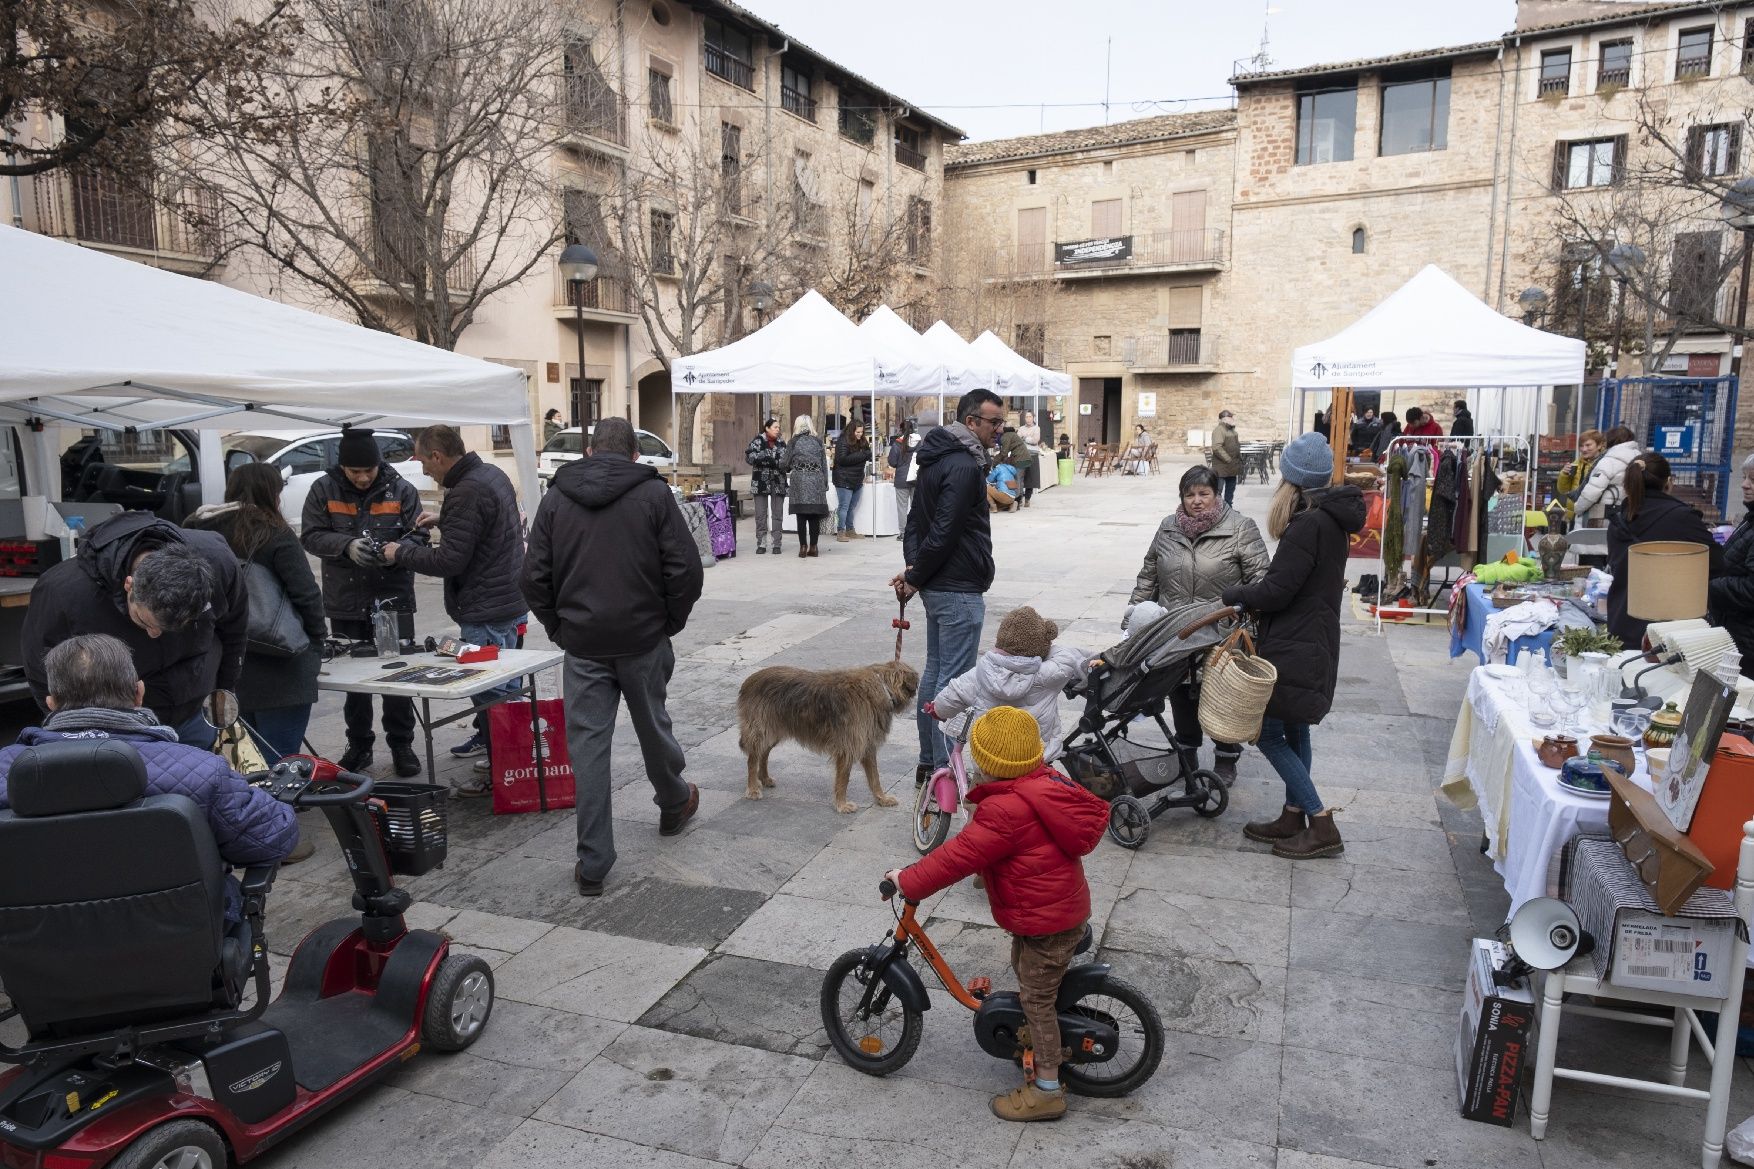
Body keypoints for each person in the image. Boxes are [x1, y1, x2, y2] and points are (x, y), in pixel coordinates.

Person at [885, 706, 1109, 1123]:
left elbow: (955, 858)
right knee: (1029, 977)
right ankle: (1036, 1040)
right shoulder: (1040, 784)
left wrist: (909, 880)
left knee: (1037, 998)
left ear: (984, 762)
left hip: (1047, 919)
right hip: (1052, 911)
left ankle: (1046, 1090)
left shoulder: (1005, 811)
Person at [519, 417, 704, 897]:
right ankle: (673, 800)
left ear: (588, 452)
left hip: (584, 643)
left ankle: (594, 862)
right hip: (640, 637)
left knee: (588, 751)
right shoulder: (653, 495)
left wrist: (560, 628)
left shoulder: (557, 497)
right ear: (635, 456)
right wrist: (667, 623)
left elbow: (533, 575)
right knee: (653, 726)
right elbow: (685, 569)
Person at [0, 634, 297, 916]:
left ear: (50, 703)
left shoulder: (5, 772)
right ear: (139, 693)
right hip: (181, 949)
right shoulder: (203, 771)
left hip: (33, 957)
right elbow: (274, 838)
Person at [1221, 432, 1363, 860]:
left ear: (1292, 480)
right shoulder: (1330, 519)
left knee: (1267, 732)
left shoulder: (1308, 524)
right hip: (1311, 637)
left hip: (1296, 641)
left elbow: (1279, 590)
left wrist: (1234, 593)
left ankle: (1320, 822)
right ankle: (1292, 812)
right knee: (1295, 726)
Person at [22, 510, 246, 750]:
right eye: (144, 621)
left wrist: (224, 692)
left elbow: (235, 632)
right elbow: (40, 668)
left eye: (175, 627)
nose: (153, 634)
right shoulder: (63, 594)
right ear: (129, 584)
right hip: (117, 728)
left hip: (197, 709)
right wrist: (72, 731)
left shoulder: (218, 564)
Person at [382, 425, 527, 795]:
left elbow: (450, 561)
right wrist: (444, 520)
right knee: (506, 694)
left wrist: (401, 554)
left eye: (424, 462)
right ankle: (513, 763)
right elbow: (488, 526)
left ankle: (503, 775)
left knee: (492, 699)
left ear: (437, 456)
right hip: (509, 602)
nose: (424, 470)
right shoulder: (490, 474)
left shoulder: (466, 490)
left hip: (485, 610)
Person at [1130, 465, 1270, 786]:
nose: (1196, 500)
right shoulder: (1168, 528)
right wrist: (1134, 619)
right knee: (1180, 693)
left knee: (1222, 696)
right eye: (1189, 494)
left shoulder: (1240, 528)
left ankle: (1226, 755)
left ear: (1216, 495)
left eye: (1203, 493)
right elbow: (1148, 577)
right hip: (1176, 631)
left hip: (1222, 634)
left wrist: (1245, 613)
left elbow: (1262, 581)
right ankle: (1187, 752)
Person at [301, 427, 427, 777]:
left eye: (367, 471)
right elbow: (310, 535)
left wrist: (397, 552)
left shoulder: (401, 489)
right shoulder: (323, 489)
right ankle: (359, 747)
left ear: (378, 464)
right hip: (346, 601)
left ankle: (402, 744)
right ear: (342, 467)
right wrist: (345, 546)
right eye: (354, 472)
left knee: (397, 677)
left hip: (392, 600)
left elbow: (420, 534)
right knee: (354, 683)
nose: (361, 478)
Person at [892, 388, 1002, 785]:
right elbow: (943, 530)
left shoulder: (935, 459)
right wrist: (915, 575)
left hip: (941, 585)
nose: (999, 430)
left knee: (937, 673)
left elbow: (916, 526)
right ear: (971, 422)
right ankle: (942, 769)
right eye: (994, 422)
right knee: (953, 685)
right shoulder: (963, 466)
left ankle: (928, 761)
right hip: (956, 588)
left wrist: (913, 569)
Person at [184, 463, 328, 762]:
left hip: (223, 659)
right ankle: (278, 808)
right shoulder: (273, 531)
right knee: (280, 761)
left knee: (242, 759)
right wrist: (316, 644)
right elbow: (307, 594)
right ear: (272, 492)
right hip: (281, 664)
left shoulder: (195, 528)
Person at [930, 607, 1090, 762]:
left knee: (981, 787)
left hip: (992, 760)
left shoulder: (980, 672)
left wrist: (937, 710)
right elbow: (1067, 656)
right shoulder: (1049, 672)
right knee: (1040, 784)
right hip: (1035, 757)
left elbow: (954, 693)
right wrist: (1044, 647)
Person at [1606, 451, 1723, 649]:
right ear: (1668, 482)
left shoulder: (1618, 521)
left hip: (1622, 625)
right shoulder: (1683, 519)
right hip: (1671, 631)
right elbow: (1717, 563)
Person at [1709, 454, 1754, 677]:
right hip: (1738, 636)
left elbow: (1751, 590)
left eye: (1753, 480)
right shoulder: (1750, 519)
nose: (1745, 484)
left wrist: (1707, 586)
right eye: (1745, 477)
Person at [1571, 425, 1641, 525]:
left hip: (1604, 517)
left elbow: (1592, 491)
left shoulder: (1609, 461)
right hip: (1628, 515)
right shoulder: (1639, 459)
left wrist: (1578, 508)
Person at [782, 416, 830, 557]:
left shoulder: (793, 442)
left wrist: (790, 466)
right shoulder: (818, 442)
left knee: (801, 515)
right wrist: (825, 483)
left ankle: (803, 547)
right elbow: (824, 465)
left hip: (799, 481)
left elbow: (785, 463)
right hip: (816, 480)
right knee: (814, 515)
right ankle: (814, 547)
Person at [745, 417, 788, 555]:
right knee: (760, 514)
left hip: (778, 482)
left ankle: (777, 543)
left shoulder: (781, 443)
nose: (778, 429)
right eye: (775, 427)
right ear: (767, 428)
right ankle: (761, 543)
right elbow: (749, 457)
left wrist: (776, 463)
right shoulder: (757, 441)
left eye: (778, 427)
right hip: (760, 483)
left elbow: (786, 461)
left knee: (777, 514)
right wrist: (764, 458)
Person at [1555, 429, 1605, 526]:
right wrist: (1564, 474)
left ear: (1599, 445)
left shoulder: (1602, 465)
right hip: (1573, 514)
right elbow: (1563, 490)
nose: (1584, 449)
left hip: (1592, 515)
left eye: (1588, 445)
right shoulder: (1577, 463)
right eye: (1581, 446)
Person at [833, 421, 871, 541]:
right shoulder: (843, 441)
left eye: (861, 432)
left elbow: (868, 453)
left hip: (857, 479)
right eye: (857, 432)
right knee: (844, 506)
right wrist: (862, 455)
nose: (860, 434)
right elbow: (843, 459)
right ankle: (840, 532)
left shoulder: (862, 441)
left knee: (851, 506)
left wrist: (862, 455)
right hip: (844, 479)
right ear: (852, 431)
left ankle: (850, 530)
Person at [887, 421, 921, 540]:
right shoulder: (920, 442)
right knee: (916, 506)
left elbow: (892, 462)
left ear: (900, 430)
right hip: (916, 478)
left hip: (901, 479)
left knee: (902, 507)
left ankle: (903, 532)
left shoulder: (897, 444)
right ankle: (916, 531)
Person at [999, 421, 1035, 509]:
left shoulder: (1006, 436)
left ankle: (1016, 502)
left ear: (1003, 428)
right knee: (1020, 479)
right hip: (1026, 457)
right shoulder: (1013, 434)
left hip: (1020, 459)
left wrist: (996, 461)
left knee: (1017, 479)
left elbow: (1004, 452)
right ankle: (1020, 500)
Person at [1210, 410, 1242, 505]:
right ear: (1225, 419)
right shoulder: (1219, 430)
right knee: (1218, 490)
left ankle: (1228, 509)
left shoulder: (1232, 430)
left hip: (1232, 467)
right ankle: (1217, 510)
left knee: (1230, 489)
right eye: (1231, 417)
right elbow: (1216, 447)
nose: (1233, 419)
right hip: (1221, 467)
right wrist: (1228, 459)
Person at [1016, 411, 1043, 507]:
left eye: (1030, 416)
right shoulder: (1021, 428)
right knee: (1019, 477)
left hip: (1033, 455)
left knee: (1031, 478)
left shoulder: (1037, 428)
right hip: (1022, 455)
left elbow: (1035, 440)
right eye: (1026, 417)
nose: (1028, 418)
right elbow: (1017, 439)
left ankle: (1027, 499)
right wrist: (1029, 438)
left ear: (1033, 418)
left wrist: (1025, 438)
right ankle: (1019, 499)